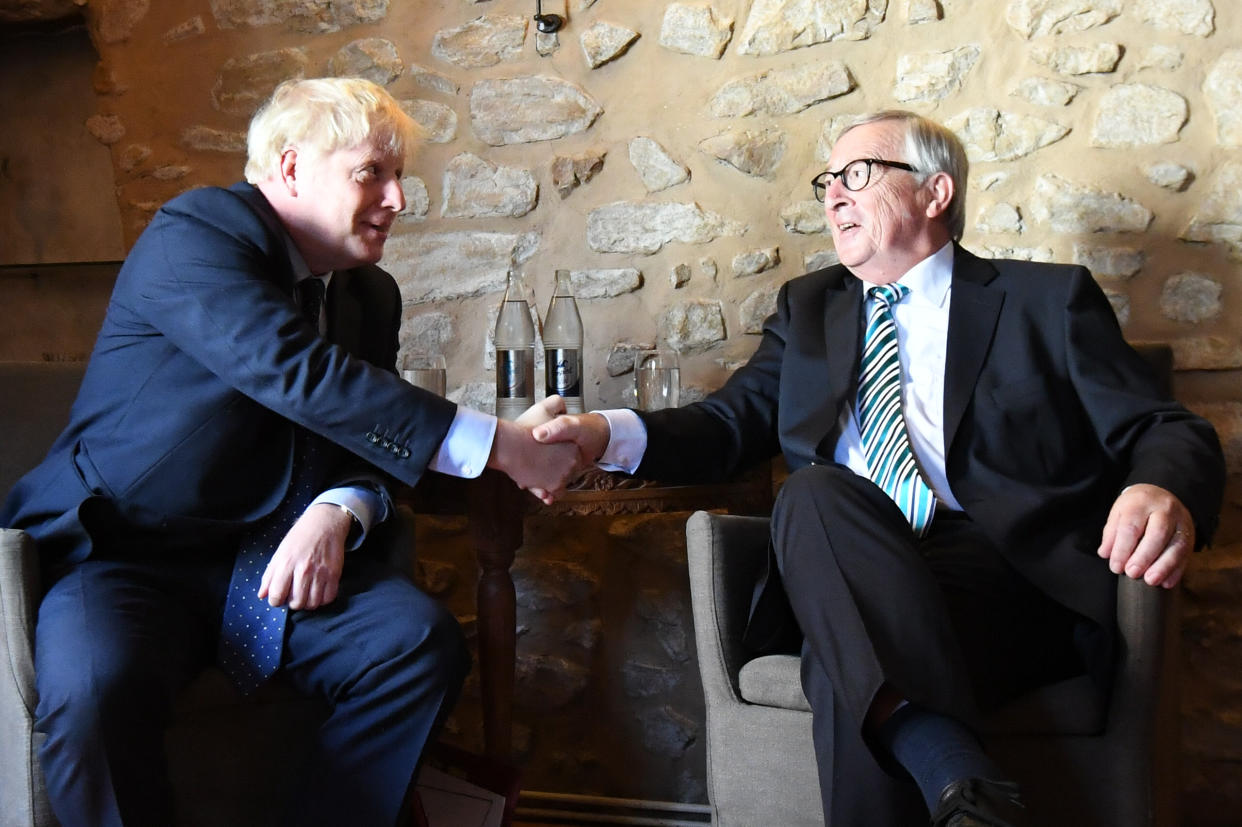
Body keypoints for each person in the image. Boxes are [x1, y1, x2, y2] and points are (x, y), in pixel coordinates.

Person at [533, 110, 1226, 826]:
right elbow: (724, 424)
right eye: (827, 181)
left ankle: (944, 760)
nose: (834, 194)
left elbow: (1166, 427)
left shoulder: (1044, 301)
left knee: (842, 665)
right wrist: (598, 432)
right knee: (815, 494)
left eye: (857, 174)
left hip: (1003, 577)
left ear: (935, 192)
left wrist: (1159, 485)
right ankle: (960, 778)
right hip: (843, 554)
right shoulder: (808, 310)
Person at [0, 77, 578, 827]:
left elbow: (361, 437)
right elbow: (299, 375)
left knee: (418, 646)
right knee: (95, 685)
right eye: (373, 173)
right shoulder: (196, 233)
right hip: (124, 553)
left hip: (268, 566)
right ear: (293, 167)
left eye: (400, 176)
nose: (399, 198)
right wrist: (502, 446)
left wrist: (341, 509)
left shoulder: (370, 295)